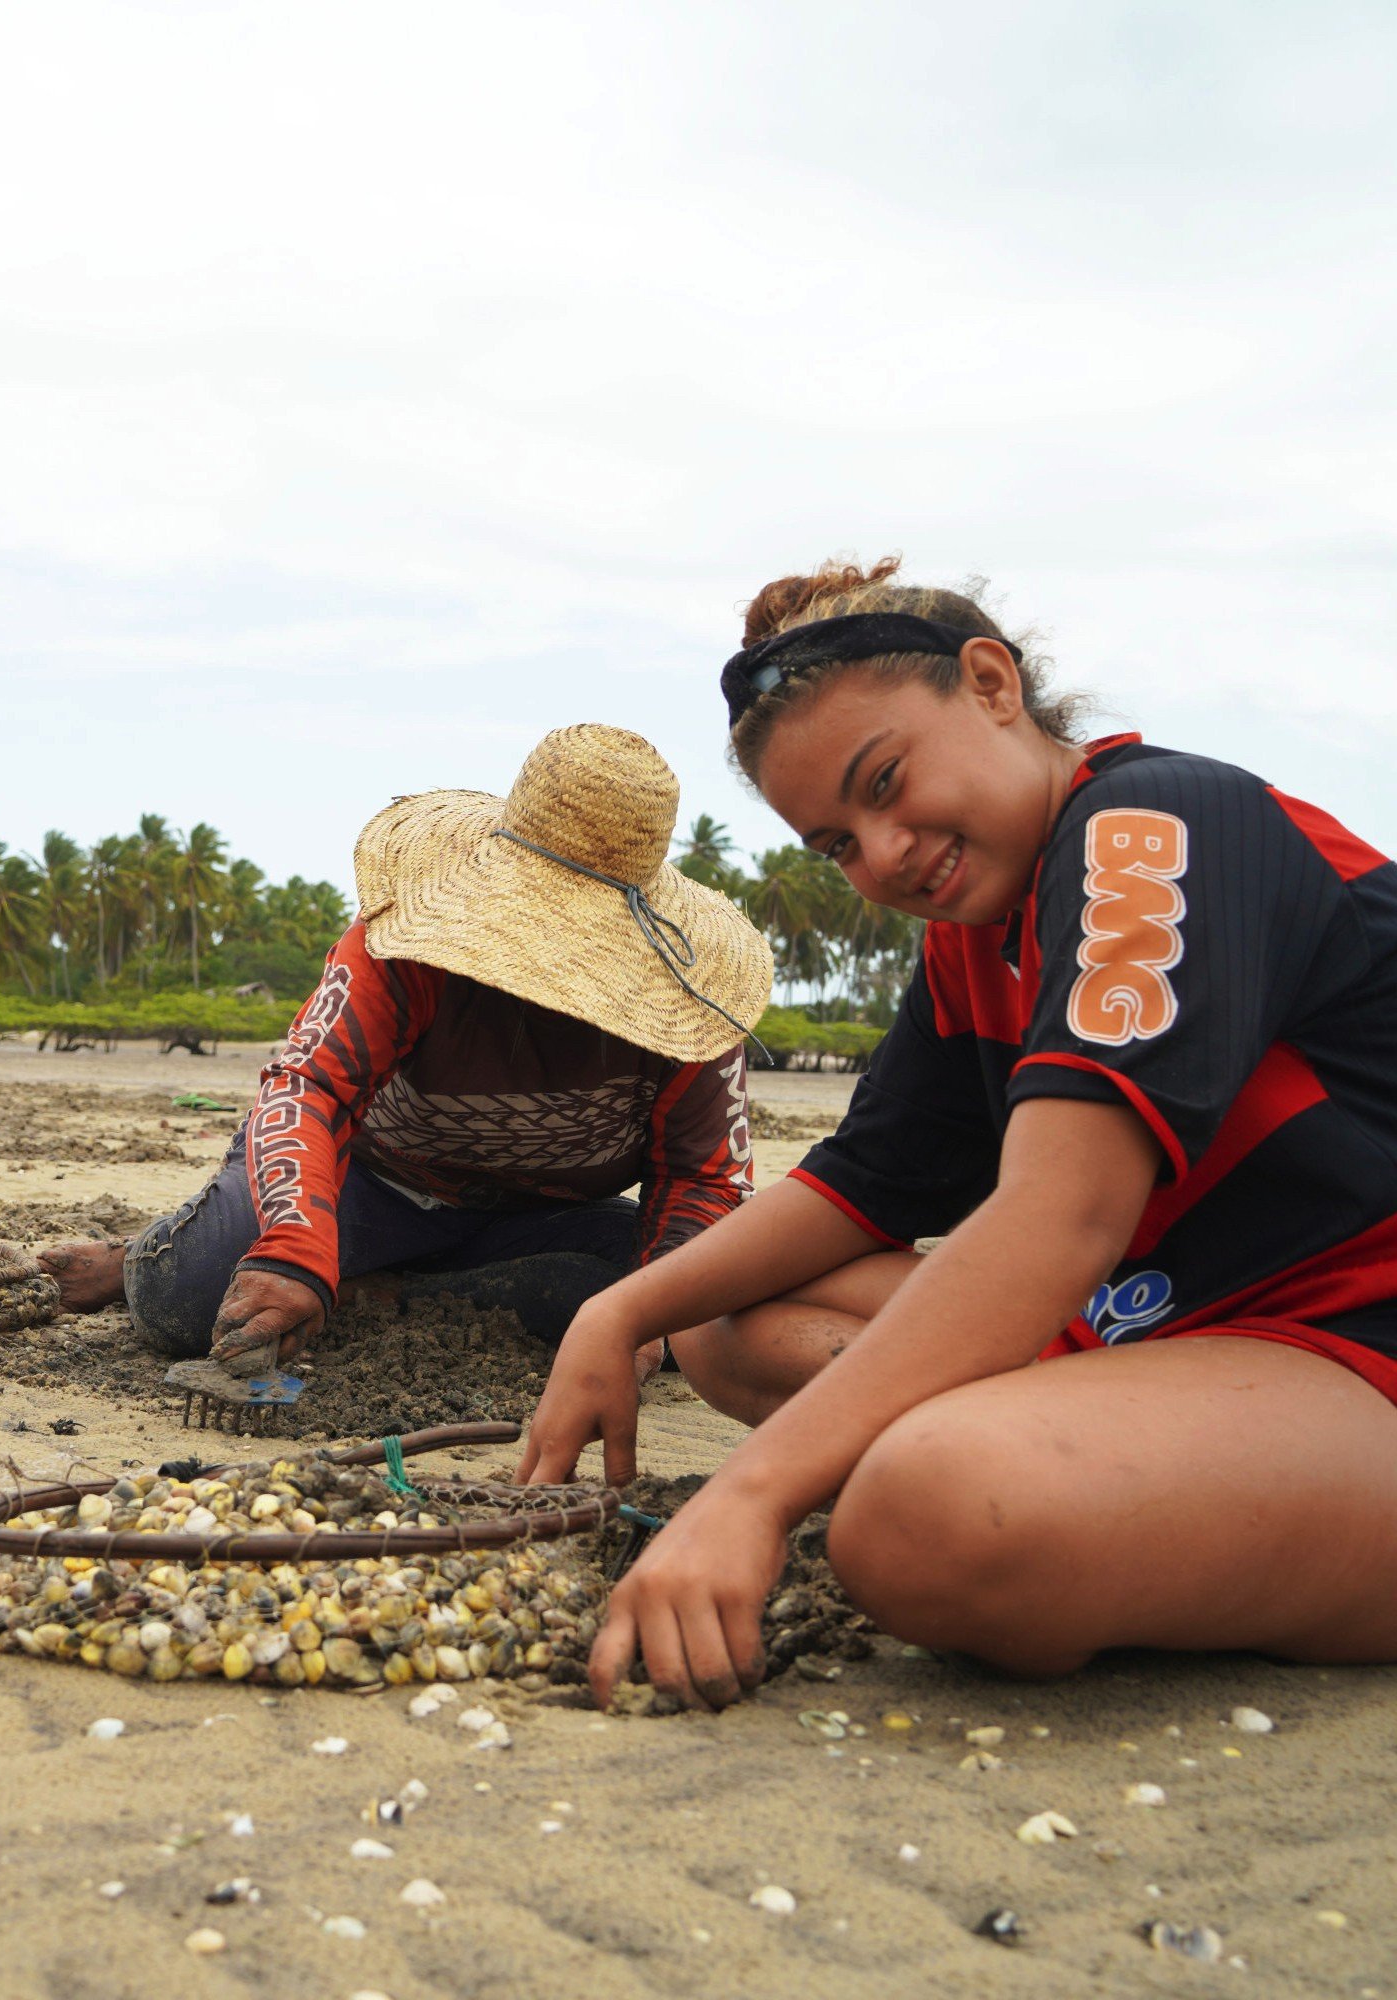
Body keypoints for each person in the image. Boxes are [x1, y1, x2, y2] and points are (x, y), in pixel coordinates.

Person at [517, 556, 1397, 1710]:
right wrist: (622, 1309)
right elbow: (862, 1184)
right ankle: (1137, 1467)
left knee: (923, 1516)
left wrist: (750, 1494)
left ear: (990, 683)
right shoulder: (973, 938)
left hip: (1352, 1340)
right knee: (719, 1325)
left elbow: (1061, 1214)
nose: (882, 853)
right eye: (837, 843)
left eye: (885, 781)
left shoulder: (1149, 827)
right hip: (1178, 1325)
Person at [42, 724, 773, 1377]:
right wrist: (294, 1249)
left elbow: (703, 1179)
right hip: (370, 1187)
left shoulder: (692, 1001)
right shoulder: (404, 944)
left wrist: (650, 1312)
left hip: (545, 1220)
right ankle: (156, 1254)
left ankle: (391, 1292)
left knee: (706, 1323)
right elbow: (308, 1091)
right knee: (184, 1303)